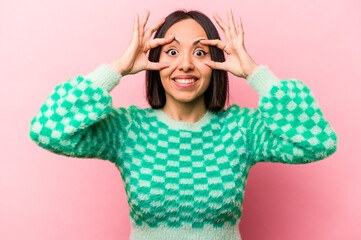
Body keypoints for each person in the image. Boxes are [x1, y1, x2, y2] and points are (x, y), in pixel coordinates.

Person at [29, 9, 338, 240]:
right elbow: (47, 130)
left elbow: (319, 143)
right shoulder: (127, 129)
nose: (186, 64)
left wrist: (256, 73)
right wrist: (117, 69)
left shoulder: (242, 128)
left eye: (200, 52)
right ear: (155, 62)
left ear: (217, 61)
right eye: (172, 52)